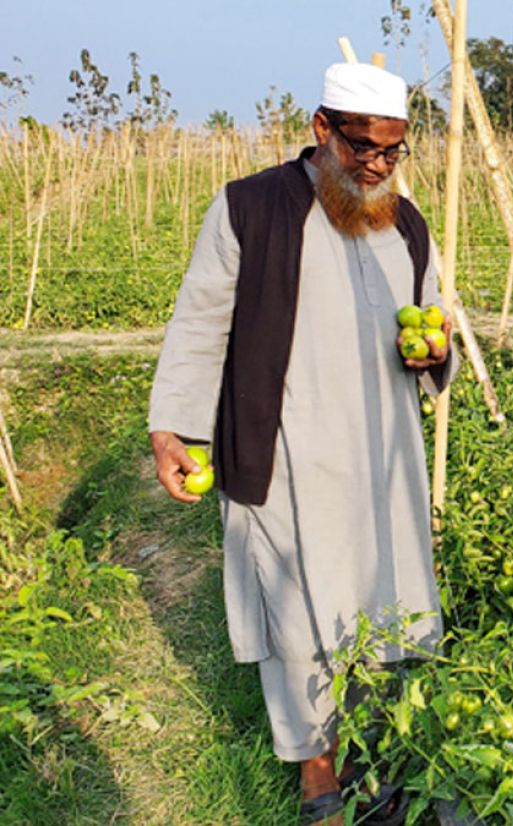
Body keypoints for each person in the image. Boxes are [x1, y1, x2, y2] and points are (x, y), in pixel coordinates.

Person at [147, 62, 455, 826]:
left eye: (394, 150)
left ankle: (361, 756)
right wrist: (172, 427)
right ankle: (319, 778)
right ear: (322, 130)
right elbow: (198, 324)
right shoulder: (251, 209)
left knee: (378, 605)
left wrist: (432, 351)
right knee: (296, 614)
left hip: (381, 454)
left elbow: (435, 316)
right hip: (282, 450)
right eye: (363, 147)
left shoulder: (405, 222)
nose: (379, 165)